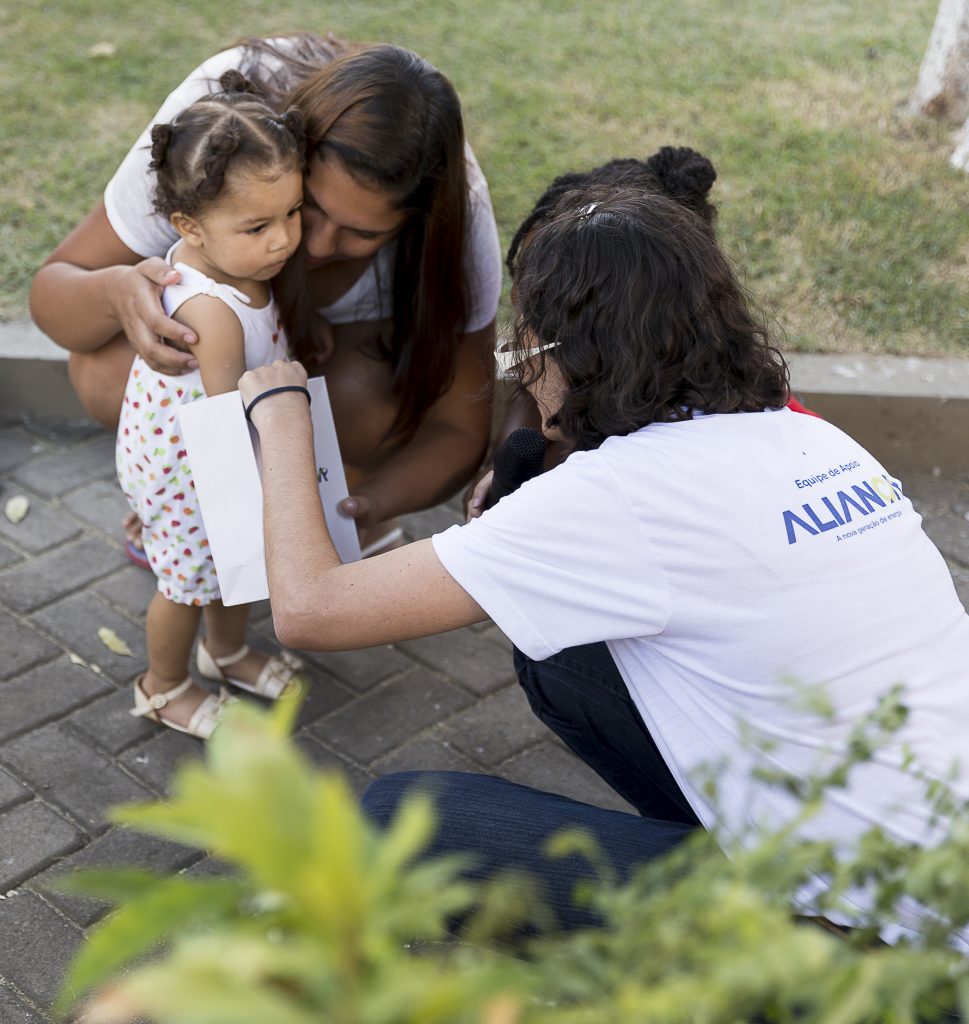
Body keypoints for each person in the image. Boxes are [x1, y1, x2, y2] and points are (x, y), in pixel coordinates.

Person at [238, 185, 969, 939]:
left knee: (394, 821)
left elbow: (310, 609)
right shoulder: (810, 438)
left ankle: (791, 945)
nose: (523, 373)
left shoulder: (619, 495)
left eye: (527, 349)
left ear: (577, 357)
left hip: (898, 946)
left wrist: (283, 417)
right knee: (562, 662)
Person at [30, 32, 501, 559]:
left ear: (417, 221)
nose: (314, 244)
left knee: (363, 395)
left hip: (336, 377)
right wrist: (117, 293)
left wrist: (366, 502)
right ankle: (179, 505)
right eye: (309, 206)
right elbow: (54, 295)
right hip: (235, 371)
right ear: (293, 152)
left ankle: (332, 514)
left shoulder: (461, 216)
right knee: (107, 372)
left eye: (364, 235)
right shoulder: (220, 137)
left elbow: (460, 427)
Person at [466, 145, 817, 520]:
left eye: (554, 294)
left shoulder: (657, 476)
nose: (527, 308)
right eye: (527, 280)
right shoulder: (570, 377)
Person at [121, 75, 307, 738]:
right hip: (196, 467)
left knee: (240, 563)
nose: (283, 239)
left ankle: (224, 651)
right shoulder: (213, 311)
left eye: (292, 213)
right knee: (188, 582)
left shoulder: (240, 267)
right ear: (189, 227)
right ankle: (162, 684)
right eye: (258, 225)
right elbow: (223, 424)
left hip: (215, 451)